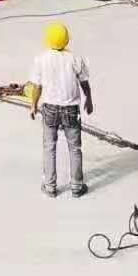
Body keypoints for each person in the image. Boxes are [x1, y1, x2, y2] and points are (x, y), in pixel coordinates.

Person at [27, 21, 93, 197]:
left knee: (49, 147)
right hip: (71, 109)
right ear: (67, 40)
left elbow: (37, 86)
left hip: (50, 108)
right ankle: (77, 186)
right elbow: (84, 82)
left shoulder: (41, 59)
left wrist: (33, 105)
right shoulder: (75, 58)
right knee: (75, 148)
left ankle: (50, 186)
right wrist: (89, 100)